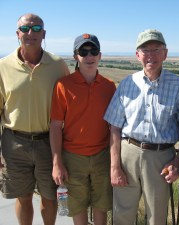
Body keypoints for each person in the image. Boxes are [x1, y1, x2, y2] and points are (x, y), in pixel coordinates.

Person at [104, 29, 179, 225]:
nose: (151, 55)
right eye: (145, 50)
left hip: (161, 159)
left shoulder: (178, 86)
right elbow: (114, 127)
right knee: (122, 214)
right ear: (137, 55)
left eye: (156, 49)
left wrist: (177, 162)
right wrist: (115, 166)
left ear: (165, 54)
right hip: (128, 154)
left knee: (157, 216)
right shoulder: (127, 83)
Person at [0, 13, 69, 225]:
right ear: (17, 33)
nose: (31, 33)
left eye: (37, 29)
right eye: (26, 28)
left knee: (49, 197)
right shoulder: (3, 66)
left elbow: (68, 105)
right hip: (14, 142)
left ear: (44, 33)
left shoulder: (57, 65)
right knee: (23, 196)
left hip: (48, 142)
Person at [50, 33, 116, 225]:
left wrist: (114, 162)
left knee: (101, 207)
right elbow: (55, 126)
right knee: (77, 208)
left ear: (100, 55)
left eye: (93, 51)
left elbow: (114, 126)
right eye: (83, 51)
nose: (89, 56)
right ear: (75, 57)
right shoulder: (63, 85)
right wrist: (57, 163)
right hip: (72, 158)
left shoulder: (109, 86)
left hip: (102, 156)